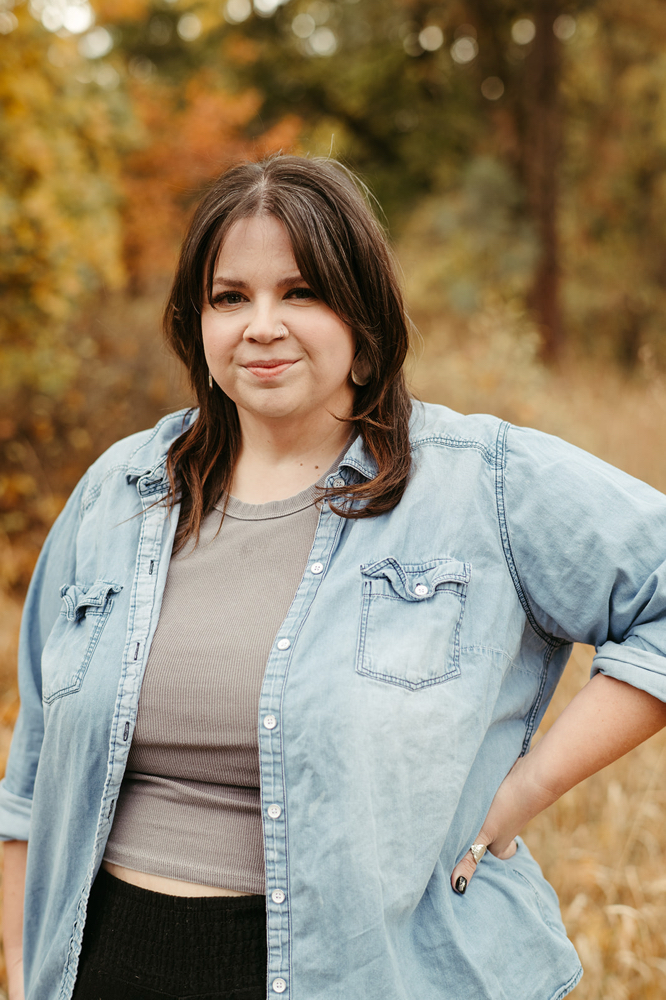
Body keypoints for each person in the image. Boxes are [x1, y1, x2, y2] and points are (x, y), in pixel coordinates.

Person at [2, 154, 666, 1000]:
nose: (262, 325)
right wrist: (24, 967)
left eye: (302, 292)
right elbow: (30, 776)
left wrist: (526, 789)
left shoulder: (479, 484)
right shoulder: (120, 490)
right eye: (230, 296)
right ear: (196, 323)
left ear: (364, 315)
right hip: (103, 969)